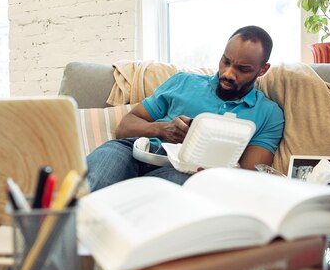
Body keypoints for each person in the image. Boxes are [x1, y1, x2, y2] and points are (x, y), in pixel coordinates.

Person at [87, 25, 285, 192]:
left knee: (176, 192)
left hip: (184, 172)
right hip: (134, 151)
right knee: (98, 181)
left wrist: (216, 169)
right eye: (226, 62)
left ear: (262, 69)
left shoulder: (268, 114)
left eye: (243, 69)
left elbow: (249, 177)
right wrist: (160, 128)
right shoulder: (184, 81)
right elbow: (125, 127)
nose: (228, 73)